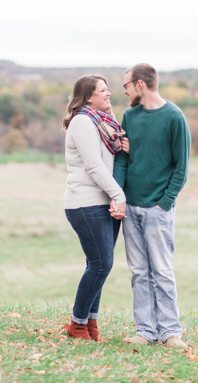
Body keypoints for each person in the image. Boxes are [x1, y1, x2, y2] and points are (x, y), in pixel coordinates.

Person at [112, 63, 191, 349]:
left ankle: (171, 333)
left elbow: (181, 168)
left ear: (140, 85)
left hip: (158, 209)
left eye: (126, 85)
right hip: (131, 207)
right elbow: (122, 157)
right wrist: (118, 194)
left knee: (162, 271)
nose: (124, 91)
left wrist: (164, 203)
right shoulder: (130, 116)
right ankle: (145, 331)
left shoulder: (174, 118)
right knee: (139, 272)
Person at [62, 74, 129, 341]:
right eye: (103, 90)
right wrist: (118, 194)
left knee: (98, 265)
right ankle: (77, 325)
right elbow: (93, 166)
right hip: (85, 203)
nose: (109, 94)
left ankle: (90, 324)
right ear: (89, 96)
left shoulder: (104, 123)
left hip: (103, 202)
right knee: (101, 265)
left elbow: (110, 161)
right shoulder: (82, 122)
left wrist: (126, 147)